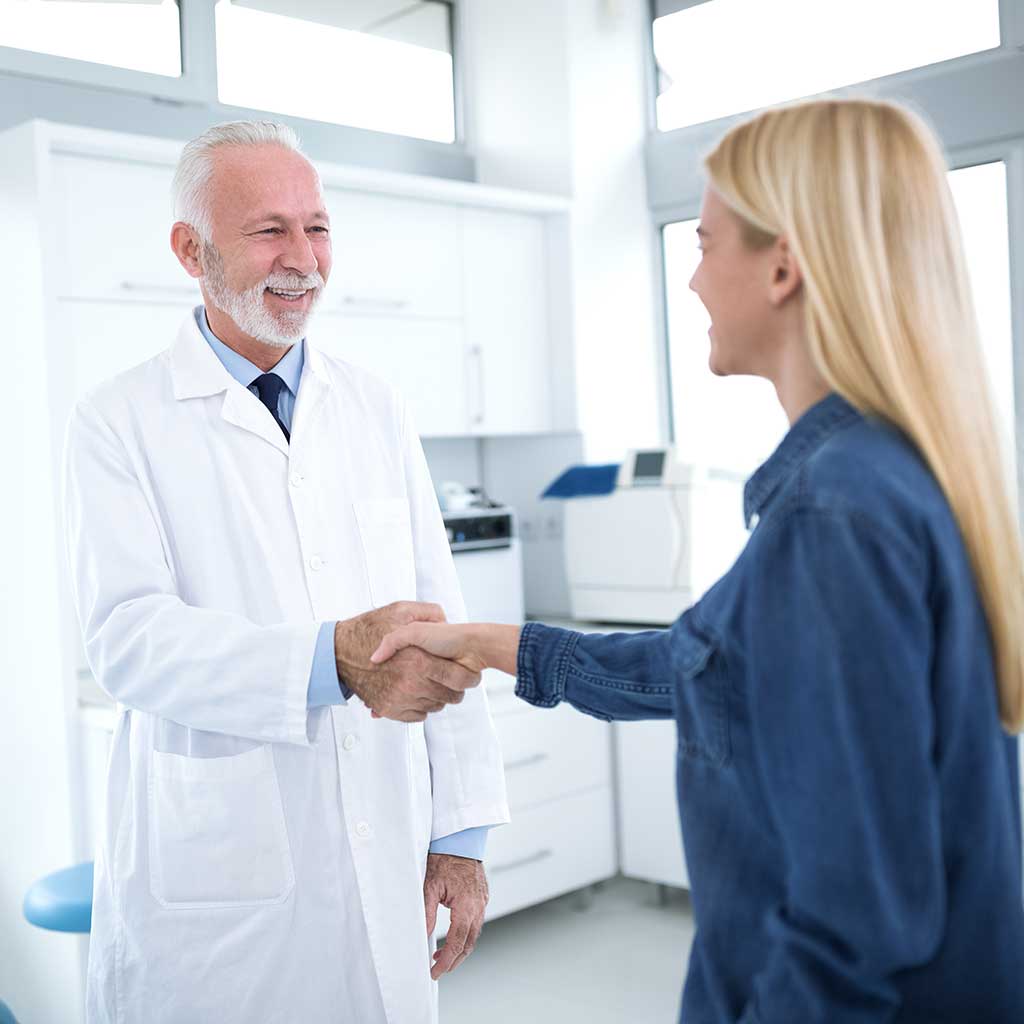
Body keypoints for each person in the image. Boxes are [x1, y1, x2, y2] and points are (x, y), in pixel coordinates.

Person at [371, 98, 1024, 1022]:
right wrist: (492, 644)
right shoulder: (889, 476)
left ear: (784, 267)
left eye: (708, 245)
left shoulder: (833, 516)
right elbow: (703, 668)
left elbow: (851, 926)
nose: (692, 282)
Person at [63, 120, 509, 1024]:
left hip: (386, 841)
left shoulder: (374, 406)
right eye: (269, 230)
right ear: (192, 250)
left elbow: (444, 614)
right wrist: (327, 660)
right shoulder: (119, 420)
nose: (303, 259)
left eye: (319, 227)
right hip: (219, 880)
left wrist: (459, 834)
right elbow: (125, 638)